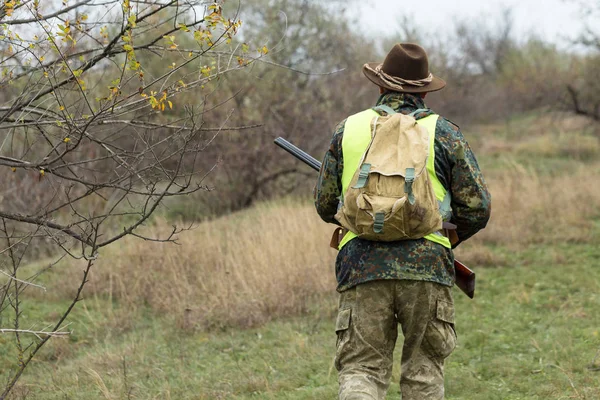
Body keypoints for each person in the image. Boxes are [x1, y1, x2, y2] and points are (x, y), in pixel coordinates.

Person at [314, 43, 491, 400]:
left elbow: (323, 204)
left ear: (379, 85)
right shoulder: (445, 133)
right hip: (427, 268)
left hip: (362, 267)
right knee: (424, 375)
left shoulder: (348, 129)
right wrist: (448, 238)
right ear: (424, 90)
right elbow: (478, 207)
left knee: (361, 370)